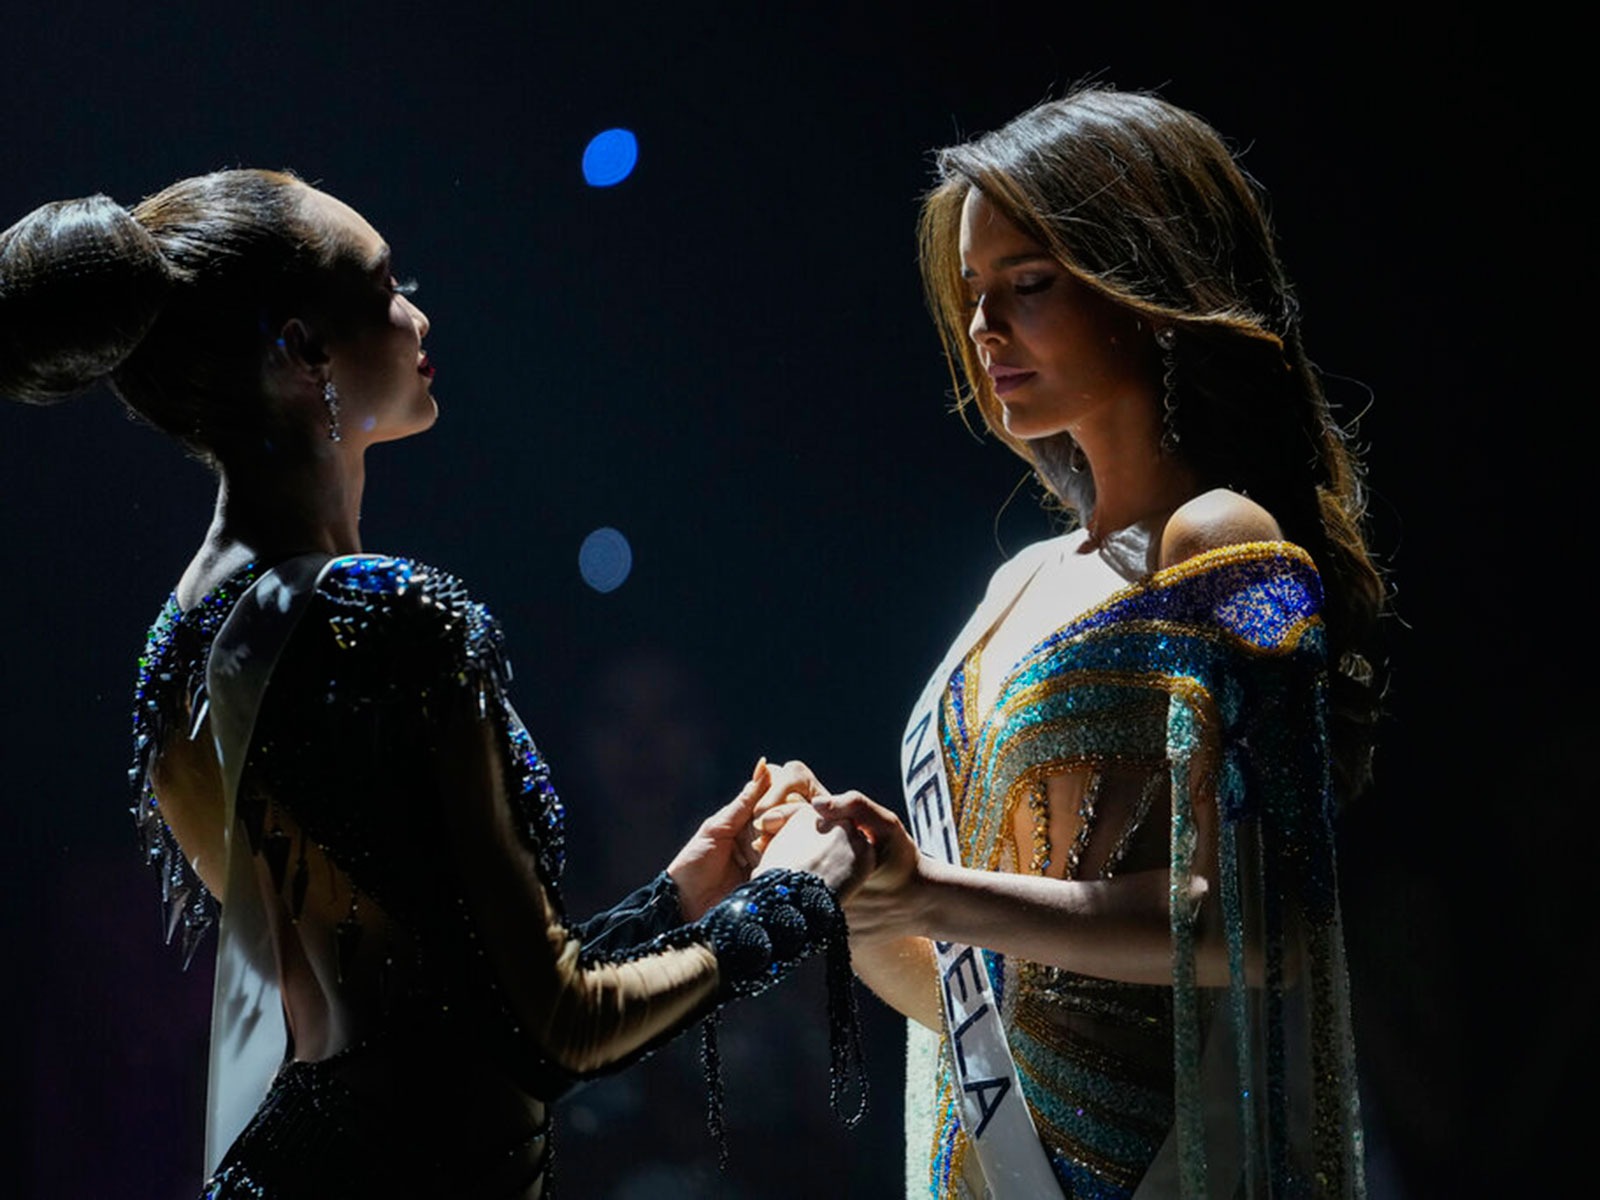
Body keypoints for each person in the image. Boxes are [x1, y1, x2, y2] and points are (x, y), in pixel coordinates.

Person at [0, 170, 872, 1198]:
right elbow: (548, 1034)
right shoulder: (389, 614)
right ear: (300, 351)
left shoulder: (185, 634)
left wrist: (675, 896)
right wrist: (796, 897)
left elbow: (442, 1012)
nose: (418, 312)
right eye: (384, 286)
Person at [756, 89, 1382, 1198]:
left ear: (1143, 284)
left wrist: (931, 892)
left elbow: (1265, 922)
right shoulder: (1013, 586)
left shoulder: (1226, 547)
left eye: (1028, 284)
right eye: (972, 294)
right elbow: (981, 1004)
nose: (986, 328)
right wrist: (847, 901)